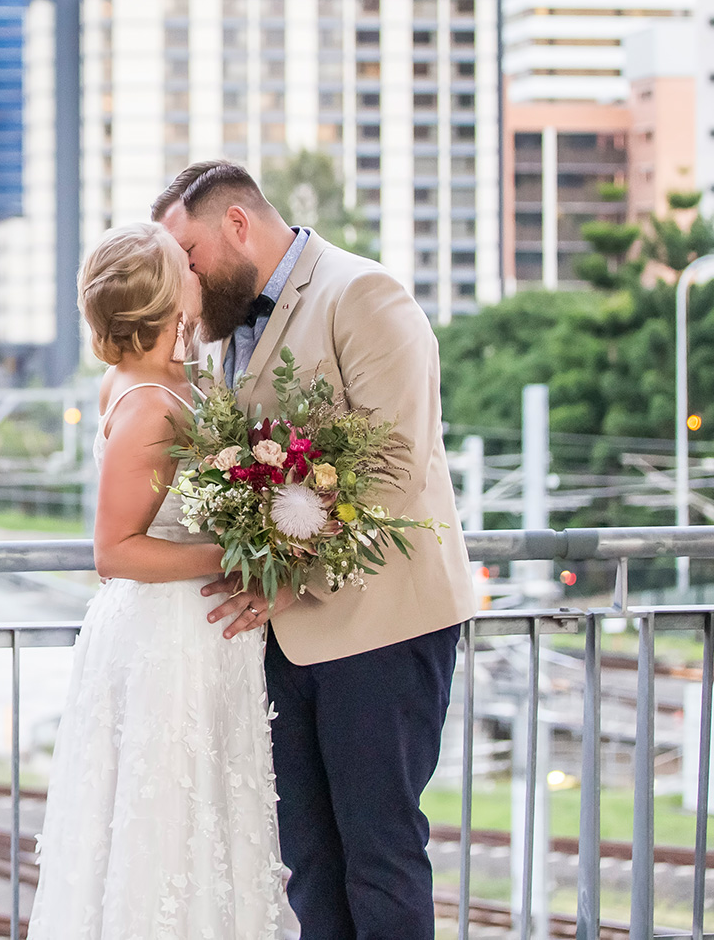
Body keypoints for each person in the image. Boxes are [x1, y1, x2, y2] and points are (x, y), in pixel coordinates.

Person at [152, 160, 475, 940]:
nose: (184, 280)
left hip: (382, 628)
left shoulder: (364, 294)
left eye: (188, 257)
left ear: (237, 224)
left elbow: (395, 467)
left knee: (380, 851)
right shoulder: (221, 330)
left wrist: (288, 583)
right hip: (278, 641)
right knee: (309, 861)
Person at [24, 221, 287, 939]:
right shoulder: (145, 403)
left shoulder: (184, 378)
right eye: (186, 267)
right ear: (173, 301)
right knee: (166, 829)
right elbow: (115, 550)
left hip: (205, 641)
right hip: (165, 641)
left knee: (212, 825)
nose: (199, 271)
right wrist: (238, 556)